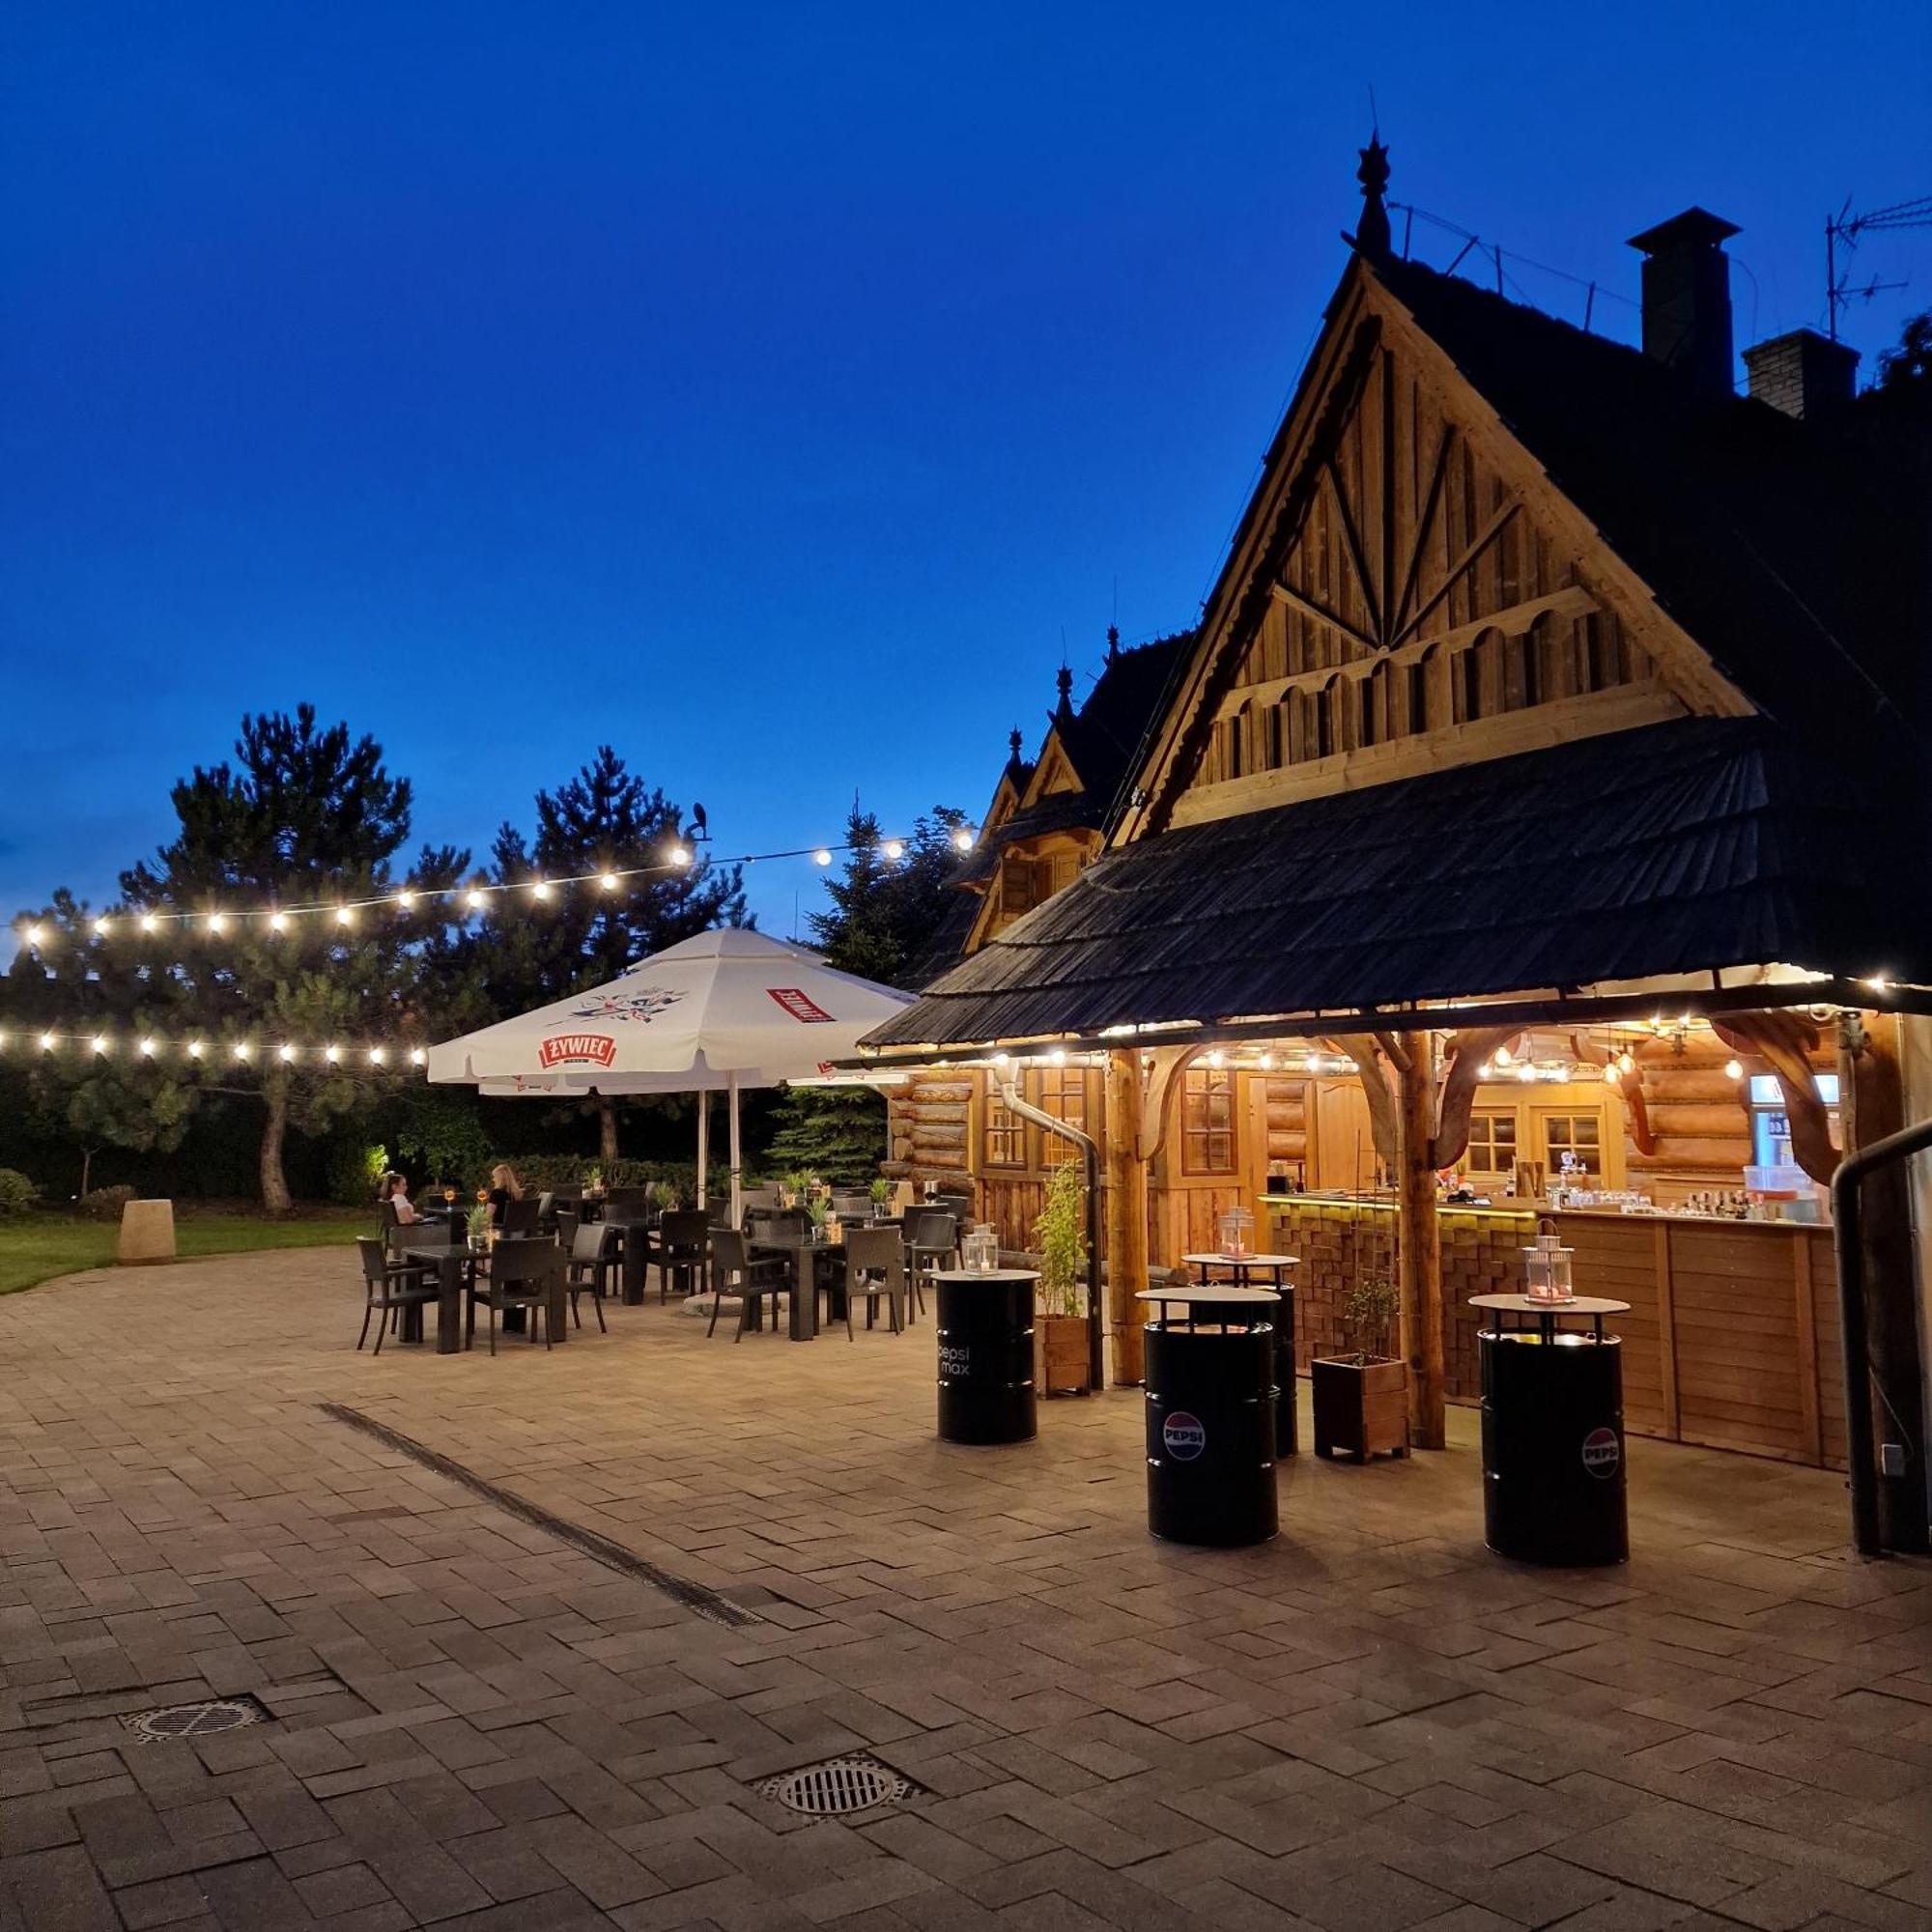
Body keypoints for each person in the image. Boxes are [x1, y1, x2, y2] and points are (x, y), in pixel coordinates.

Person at [486, 1163, 524, 1227]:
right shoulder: (516, 1193)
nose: (493, 1180)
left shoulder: (496, 1193)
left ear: (500, 1178)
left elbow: (488, 1216)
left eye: (494, 1177)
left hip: (499, 1229)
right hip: (516, 1230)